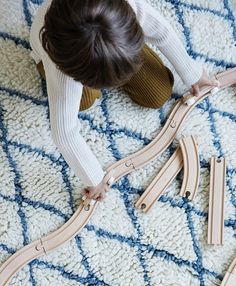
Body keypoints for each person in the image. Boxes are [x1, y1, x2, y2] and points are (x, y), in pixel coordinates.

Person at [29, 0, 219, 202]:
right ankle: (100, 74)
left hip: (113, 41)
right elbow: (64, 133)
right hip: (65, 59)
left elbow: (162, 33)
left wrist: (192, 73)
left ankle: (117, 57)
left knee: (157, 93)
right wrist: (94, 178)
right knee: (84, 101)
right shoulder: (62, 70)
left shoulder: (127, 8)